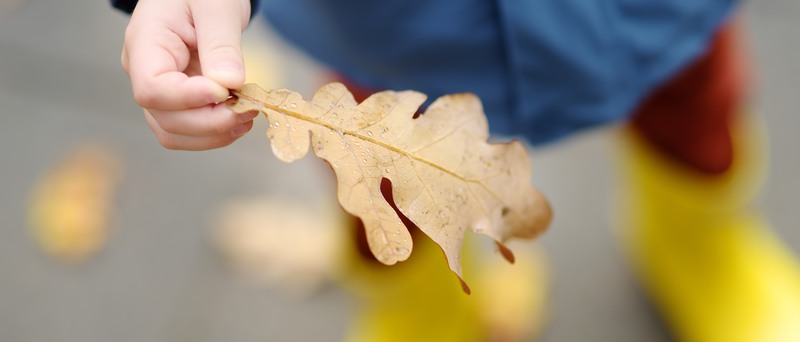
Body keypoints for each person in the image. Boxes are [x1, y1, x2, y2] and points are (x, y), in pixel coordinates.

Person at [112, 0, 800, 341]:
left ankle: (700, 245)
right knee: (383, 177)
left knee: (695, 114)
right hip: (399, 25)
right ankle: (424, 314)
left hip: (654, 11)